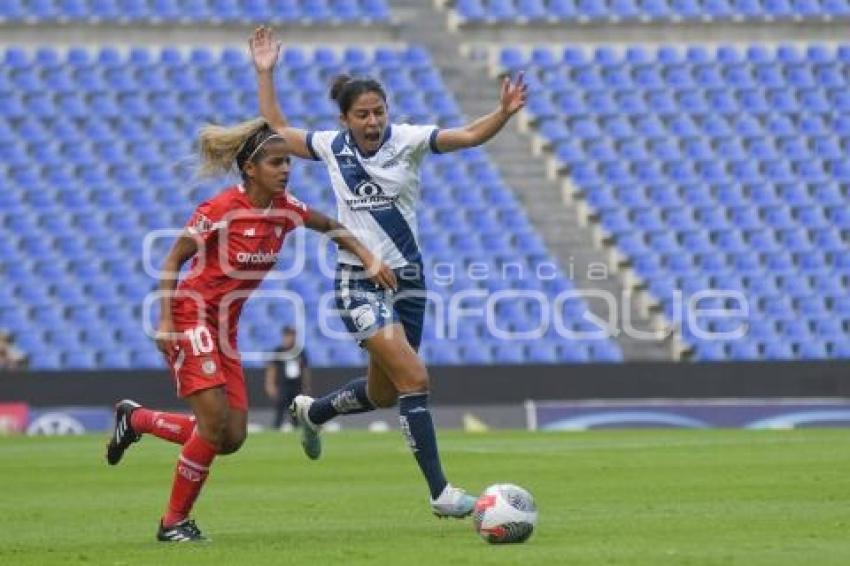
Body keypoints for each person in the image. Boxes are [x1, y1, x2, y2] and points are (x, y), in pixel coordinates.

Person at [249, 26, 527, 518]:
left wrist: (502, 114)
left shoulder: (409, 140)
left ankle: (313, 413)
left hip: (409, 281)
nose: (373, 120)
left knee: (383, 393)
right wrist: (266, 72)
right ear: (345, 119)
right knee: (414, 378)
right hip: (357, 280)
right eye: (363, 114)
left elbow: (465, 135)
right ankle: (440, 494)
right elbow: (274, 129)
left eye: (379, 111)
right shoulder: (332, 147)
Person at [104, 117, 396, 542]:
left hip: (226, 329)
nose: (286, 169)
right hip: (191, 317)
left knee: (231, 437)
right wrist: (166, 320)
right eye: (277, 163)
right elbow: (172, 260)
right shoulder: (219, 211)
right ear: (250, 169)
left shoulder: (286, 209)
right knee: (214, 425)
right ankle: (173, 523)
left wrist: (369, 258)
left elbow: (331, 226)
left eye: (287, 163)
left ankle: (137, 420)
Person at [265, 325, 311, 430]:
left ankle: (296, 427)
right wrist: (270, 384)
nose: (290, 338)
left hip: (296, 384)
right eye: (288, 335)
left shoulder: (299, 351)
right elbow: (272, 369)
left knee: (296, 408)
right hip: (283, 384)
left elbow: (305, 370)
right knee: (280, 406)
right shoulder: (278, 350)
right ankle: (276, 427)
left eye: (292, 335)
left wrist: (306, 386)